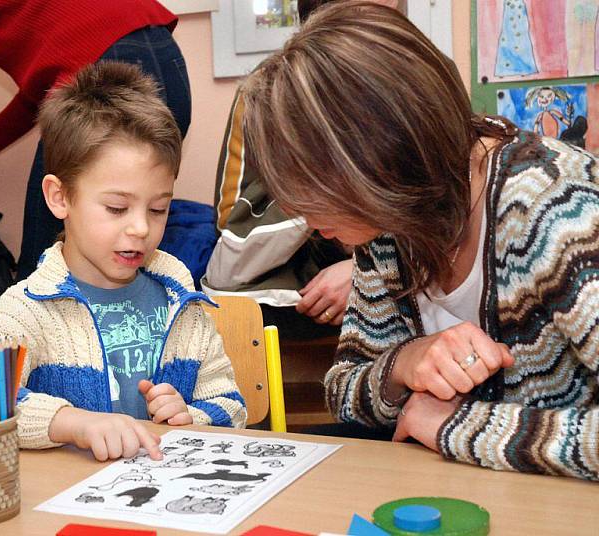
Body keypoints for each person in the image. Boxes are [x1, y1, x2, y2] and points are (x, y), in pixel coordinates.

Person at [239, 1, 599, 480]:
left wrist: (458, 425)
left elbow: (438, 424)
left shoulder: (554, 208)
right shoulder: (386, 223)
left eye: (314, 189)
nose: (304, 217)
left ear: (379, 156)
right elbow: (344, 391)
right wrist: (406, 363)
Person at [0, 62, 245, 462]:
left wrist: (190, 416)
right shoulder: (25, 311)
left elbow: (230, 405)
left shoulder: (179, 298)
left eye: (158, 209)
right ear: (60, 197)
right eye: (117, 207)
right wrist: (75, 423)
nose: (140, 227)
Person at [0, 0, 191, 281]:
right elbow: (42, 92)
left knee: (42, 268)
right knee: (124, 255)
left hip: (108, 69)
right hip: (168, 60)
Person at [203, 0, 403, 335]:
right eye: (363, 19)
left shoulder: (412, 80)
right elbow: (230, 235)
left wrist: (363, 269)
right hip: (295, 271)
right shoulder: (266, 92)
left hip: (394, 262)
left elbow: (434, 209)